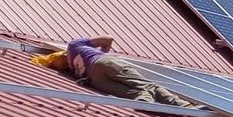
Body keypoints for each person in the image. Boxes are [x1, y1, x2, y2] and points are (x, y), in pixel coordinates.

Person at [34, 36, 198, 107]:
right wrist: (103, 55)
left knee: (129, 92)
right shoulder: (74, 45)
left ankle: (146, 101)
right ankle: (183, 106)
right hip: (102, 65)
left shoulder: (74, 66)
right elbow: (108, 38)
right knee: (145, 86)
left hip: (96, 78)